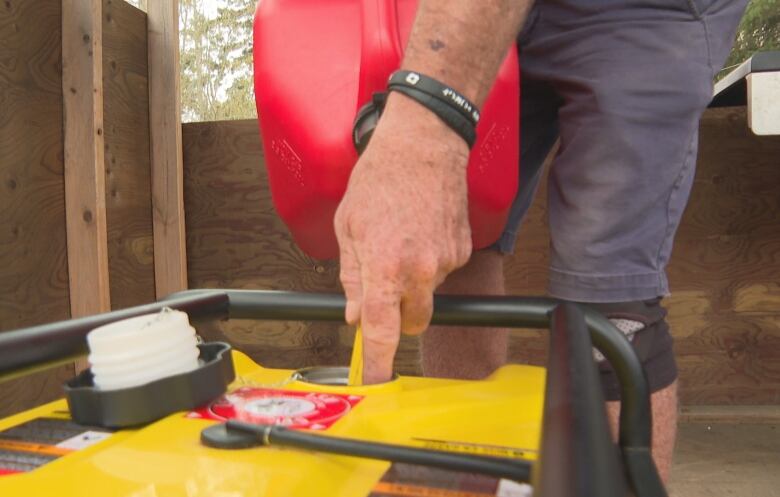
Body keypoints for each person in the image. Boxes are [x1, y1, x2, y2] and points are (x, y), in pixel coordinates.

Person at [333, 0, 747, 483]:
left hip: (646, 10)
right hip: (483, 15)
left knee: (611, 300)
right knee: (450, 240)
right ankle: (471, 475)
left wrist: (425, 123)